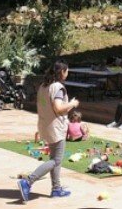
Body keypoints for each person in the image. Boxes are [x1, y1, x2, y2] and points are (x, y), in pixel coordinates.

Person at [17, 60, 79, 202]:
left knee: (55, 158)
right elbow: (58, 108)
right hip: (56, 127)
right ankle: (28, 181)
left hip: (45, 126)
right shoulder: (58, 88)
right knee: (56, 160)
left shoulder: (43, 86)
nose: (67, 74)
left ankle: (56, 189)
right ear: (62, 72)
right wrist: (72, 104)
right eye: (67, 71)